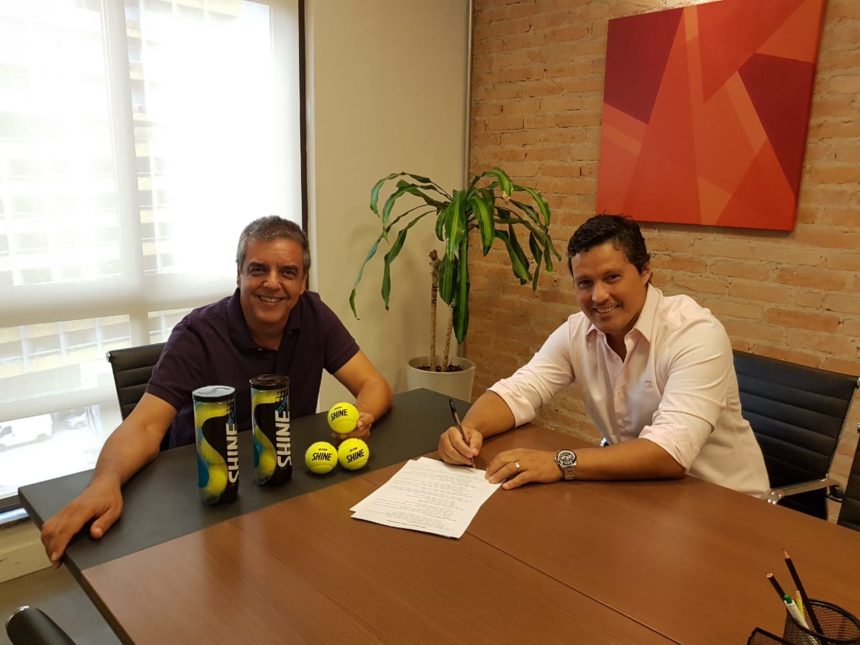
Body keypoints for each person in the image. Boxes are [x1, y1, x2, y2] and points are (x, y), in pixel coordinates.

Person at [41, 216, 392, 566]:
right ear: (239, 275)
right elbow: (145, 424)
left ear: (302, 282)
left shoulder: (315, 316)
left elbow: (372, 384)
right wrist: (104, 482)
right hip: (202, 496)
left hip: (283, 485)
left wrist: (362, 418)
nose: (273, 283)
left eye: (287, 272)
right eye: (258, 270)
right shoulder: (196, 334)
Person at [438, 214, 768, 498]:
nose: (598, 296)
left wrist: (559, 462)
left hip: (727, 504)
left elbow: (670, 450)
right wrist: (467, 431)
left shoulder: (694, 333)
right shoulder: (577, 331)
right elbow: (518, 391)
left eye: (612, 277)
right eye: (585, 283)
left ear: (645, 271)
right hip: (639, 493)